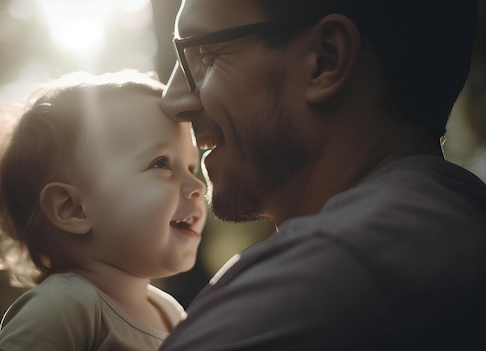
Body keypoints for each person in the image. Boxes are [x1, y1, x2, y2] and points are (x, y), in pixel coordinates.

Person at [158, 0, 486, 350]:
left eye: (205, 56)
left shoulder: (328, 276)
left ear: (325, 60)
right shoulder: (458, 223)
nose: (172, 100)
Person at [0, 70, 207, 351]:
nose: (197, 185)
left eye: (191, 167)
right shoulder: (65, 307)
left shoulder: (171, 313)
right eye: (161, 163)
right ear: (73, 209)